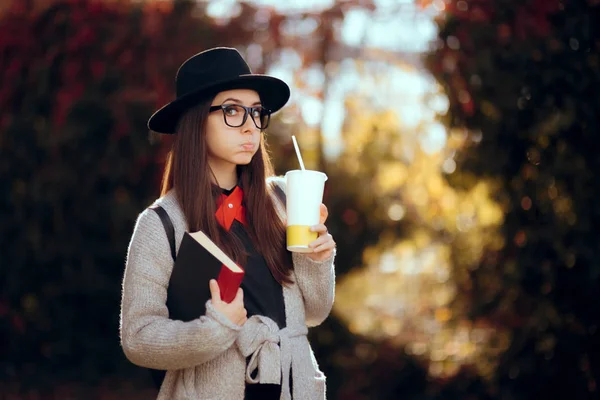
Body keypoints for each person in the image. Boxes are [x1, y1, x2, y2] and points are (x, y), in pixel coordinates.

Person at [119, 47, 336, 400]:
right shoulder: (161, 224)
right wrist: (215, 328)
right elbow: (138, 339)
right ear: (195, 120)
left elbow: (315, 313)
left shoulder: (283, 200)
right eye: (232, 110)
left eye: (256, 112)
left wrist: (316, 260)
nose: (251, 126)